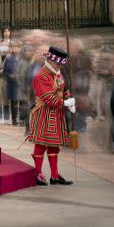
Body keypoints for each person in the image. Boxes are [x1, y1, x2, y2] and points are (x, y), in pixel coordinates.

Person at [28, 46, 75, 186]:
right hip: (43, 115)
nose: (60, 66)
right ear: (50, 60)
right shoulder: (40, 76)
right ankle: (38, 174)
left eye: (61, 64)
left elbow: (63, 88)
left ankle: (54, 176)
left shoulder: (57, 74)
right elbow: (49, 99)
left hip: (57, 114)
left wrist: (69, 98)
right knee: (41, 145)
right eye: (58, 63)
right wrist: (65, 103)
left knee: (54, 146)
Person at [3, 41, 22, 125]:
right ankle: (14, 120)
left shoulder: (23, 58)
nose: (16, 49)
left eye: (17, 47)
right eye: (14, 47)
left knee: (22, 102)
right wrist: (9, 75)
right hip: (12, 83)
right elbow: (5, 70)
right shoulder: (9, 58)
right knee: (14, 102)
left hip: (21, 83)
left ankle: (22, 119)